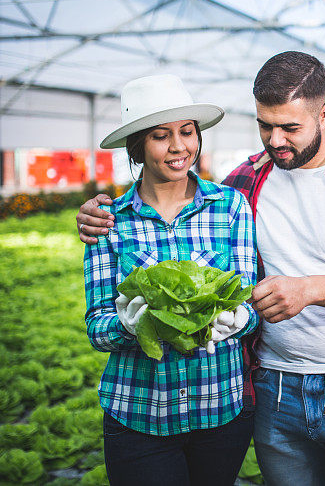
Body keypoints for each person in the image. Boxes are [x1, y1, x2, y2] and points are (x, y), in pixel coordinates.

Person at [78, 52, 325, 485]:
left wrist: (309, 289)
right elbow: (177, 208)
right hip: (272, 392)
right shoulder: (243, 183)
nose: (276, 140)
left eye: (290, 128)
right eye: (265, 125)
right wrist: (96, 214)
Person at [82, 74, 259, 486]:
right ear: (138, 147)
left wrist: (237, 319)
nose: (180, 147)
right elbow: (97, 329)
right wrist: (132, 324)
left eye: (187, 132)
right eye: (161, 136)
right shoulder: (109, 221)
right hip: (139, 413)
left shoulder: (230, 207)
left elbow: (248, 304)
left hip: (219, 409)